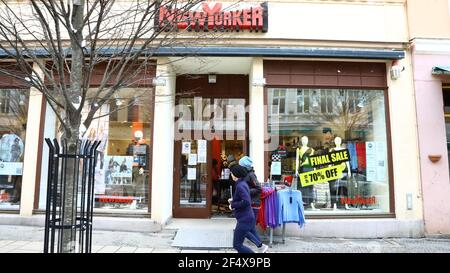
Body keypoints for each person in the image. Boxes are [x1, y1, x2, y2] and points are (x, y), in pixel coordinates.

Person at [229, 164, 268, 253]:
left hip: (244, 219)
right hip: (246, 218)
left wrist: (233, 205)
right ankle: (261, 247)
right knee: (244, 237)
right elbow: (244, 198)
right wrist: (233, 200)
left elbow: (246, 201)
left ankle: (260, 248)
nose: (231, 175)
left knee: (237, 245)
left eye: (232, 173)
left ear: (236, 174)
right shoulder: (243, 183)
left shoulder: (240, 186)